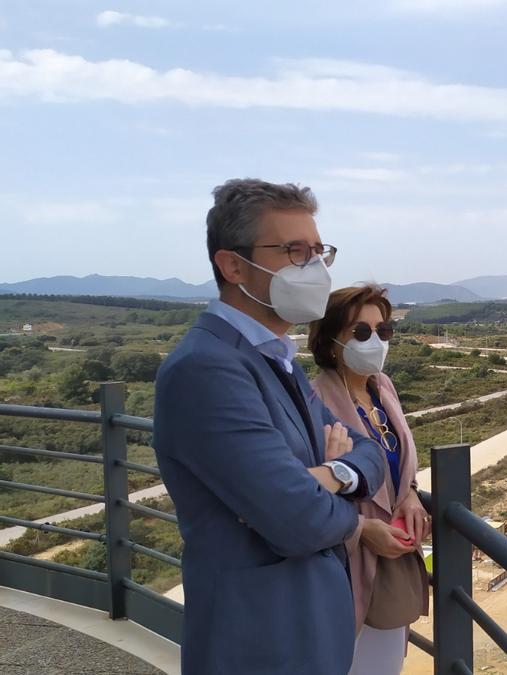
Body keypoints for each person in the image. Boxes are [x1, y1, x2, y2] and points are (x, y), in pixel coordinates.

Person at [154, 179, 387, 674]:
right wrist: (349, 516)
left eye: (319, 252)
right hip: (260, 641)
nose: (315, 268)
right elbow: (299, 521)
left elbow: (369, 452)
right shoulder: (207, 369)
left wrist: (330, 475)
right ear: (233, 265)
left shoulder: (274, 358)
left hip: (307, 629)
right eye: (293, 251)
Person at [308, 284, 430, 674]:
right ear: (330, 343)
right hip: (343, 568)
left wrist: (410, 494)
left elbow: (399, 465)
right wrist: (362, 530)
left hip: (389, 564)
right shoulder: (315, 405)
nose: (375, 340)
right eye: (361, 332)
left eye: (383, 330)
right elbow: (304, 497)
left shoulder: (383, 388)